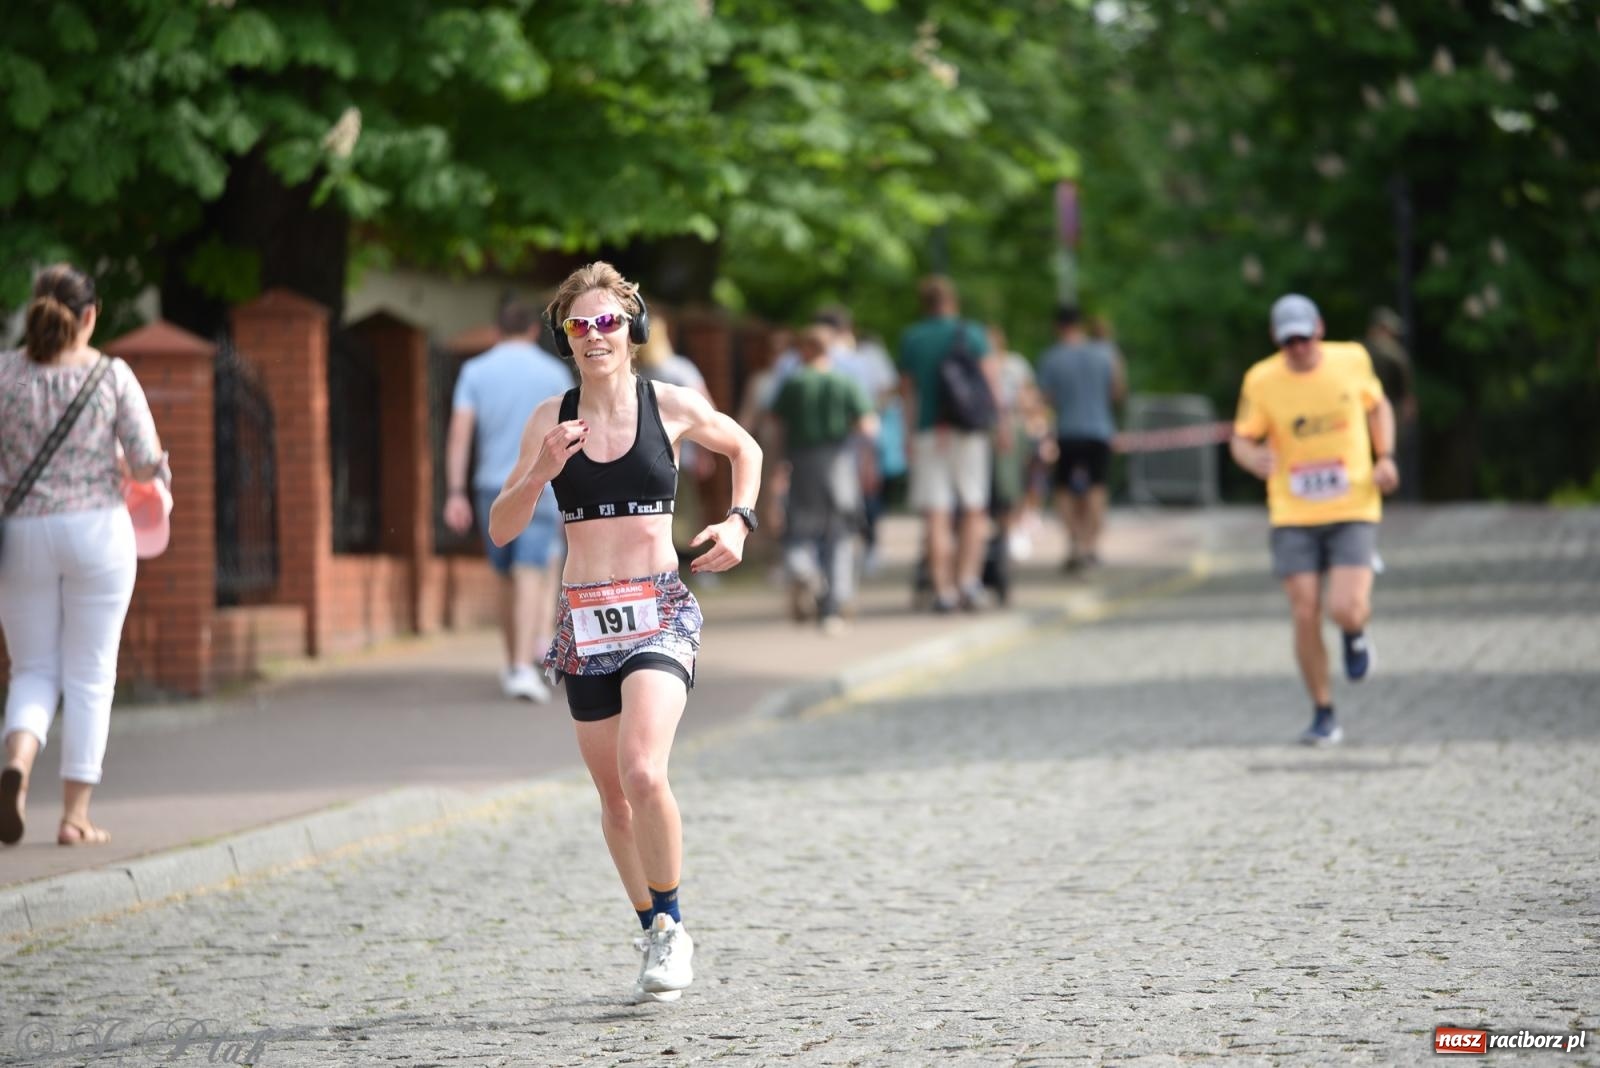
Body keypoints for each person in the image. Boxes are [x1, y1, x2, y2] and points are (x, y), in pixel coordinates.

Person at [488, 262, 761, 1005]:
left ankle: (672, 928)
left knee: (644, 772)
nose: (595, 335)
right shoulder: (550, 419)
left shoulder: (669, 403)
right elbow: (502, 528)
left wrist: (740, 519)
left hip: (661, 613)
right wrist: (540, 473)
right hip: (584, 623)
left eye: (609, 321)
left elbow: (746, 449)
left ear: (632, 330)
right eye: (580, 325)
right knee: (613, 801)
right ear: (565, 338)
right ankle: (649, 927)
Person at [0, 264, 167, 847]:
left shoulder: (7, 376)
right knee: (91, 674)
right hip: (97, 532)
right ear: (90, 316)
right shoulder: (111, 376)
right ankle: (74, 817)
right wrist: (143, 470)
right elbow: (145, 460)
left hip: (21, 534)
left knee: (33, 670)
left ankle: (16, 770)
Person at [1231, 293, 1400, 746]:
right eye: (1290, 343)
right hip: (1292, 511)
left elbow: (1377, 406)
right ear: (1277, 341)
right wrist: (1253, 459)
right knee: (1304, 610)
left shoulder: (1351, 360)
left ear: (1319, 329)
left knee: (1343, 608)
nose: (1299, 349)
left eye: (1305, 339)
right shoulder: (1262, 380)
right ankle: (1324, 711)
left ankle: (1354, 631)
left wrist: (1385, 456)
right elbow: (1241, 439)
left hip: (1353, 505)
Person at [444, 297, 573, 703]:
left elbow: (460, 434)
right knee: (531, 570)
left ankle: (514, 660)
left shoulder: (474, 371)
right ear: (534, 332)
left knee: (504, 574)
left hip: (490, 487)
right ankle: (524, 663)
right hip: (541, 483)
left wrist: (454, 492)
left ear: (496, 331)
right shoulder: (554, 371)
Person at [767, 325, 878, 633]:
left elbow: (775, 424)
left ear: (805, 349)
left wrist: (778, 467)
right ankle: (835, 606)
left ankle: (804, 573)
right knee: (840, 534)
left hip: (801, 463)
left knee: (799, 531)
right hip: (840, 464)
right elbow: (869, 427)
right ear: (828, 350)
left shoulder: (794, 383)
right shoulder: (845, 383)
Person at [897, 276, 997, 612]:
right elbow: (990, 385)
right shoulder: (973, 334)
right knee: (973, 508)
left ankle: (944, 591)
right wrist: (1001, 427)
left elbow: (908, 394)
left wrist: (908, 436)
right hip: (969, 431)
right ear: (952, 301)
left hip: (929, 432)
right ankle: (969, 582)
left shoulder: (913, 338)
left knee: (936, 514)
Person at [1036, 305, 1126, 572]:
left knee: (1064, 489)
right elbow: (1118, 392)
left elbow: (1045, 397)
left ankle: (1074, 541)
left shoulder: (1051, 357)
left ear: (1057, 326)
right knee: (1097, 488)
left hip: (1067, 431)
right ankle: (1091, 545)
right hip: (1099, 430)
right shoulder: (1105, 353)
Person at [1365, 307, 1419, 500]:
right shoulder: (1395, 354)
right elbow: (1406, 388)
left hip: (1363, 410)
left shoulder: (1360, 351)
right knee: (1391, 453)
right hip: (1390, 409)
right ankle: (1393, 495)